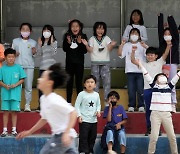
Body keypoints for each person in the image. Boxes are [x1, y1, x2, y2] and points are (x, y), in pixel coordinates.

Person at [16, 63, 78, 154]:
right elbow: (44, 119)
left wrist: (66, 133)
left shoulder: (54, 99)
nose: (38, 79)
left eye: (42, 77)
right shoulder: (44, 99)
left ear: (49, 83)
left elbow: (73, 112)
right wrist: (29, 132)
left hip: (62, 136)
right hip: (67, 138)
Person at [138, 61, 178, 154]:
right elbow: (146, 74)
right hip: (155, 114)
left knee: (172, 137)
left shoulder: (169, 86)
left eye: (163, 75)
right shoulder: (154, 86)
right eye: (160, 76)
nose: (162, 76)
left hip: (167, 114)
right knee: (153, 137)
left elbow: (177, 76)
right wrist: (140, 65)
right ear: (156, 80)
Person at [131, 42, 171, 135]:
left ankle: (158, 129)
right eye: (148, 55)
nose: (149, 56)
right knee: (149, 109)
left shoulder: (160, 62)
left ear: (156, 56)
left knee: (158, 110)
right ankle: (149, 128)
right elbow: (133, 60)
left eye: (151, 55)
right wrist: (133, 51)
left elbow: (165, 54)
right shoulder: (143, 64)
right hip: (147, 90)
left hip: (158, 90)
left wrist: (168, 46)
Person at [82, 22, 116, 106]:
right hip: (95, 63)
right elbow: (90, 50)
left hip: (105, 63)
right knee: (94, 83)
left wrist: (112, 45)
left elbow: (109, 49)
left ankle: (107, 103)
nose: (100, 30)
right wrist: (86, 45)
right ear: (95, 29)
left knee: (107, 83)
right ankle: (95, 102)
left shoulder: (107, 38)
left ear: (104, 30)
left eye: (102, 28)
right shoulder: (92, 39)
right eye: (98, 28)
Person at [118, 28, 146, 112]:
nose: (134, 35)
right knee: (131, 89)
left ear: (139, 36)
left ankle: (141, 105)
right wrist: (121, 45)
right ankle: (131, 105)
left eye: (136, 33)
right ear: (129, 35)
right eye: (132, 33)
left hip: (141, 71)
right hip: (130, 71)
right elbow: (120, 54)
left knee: (141, 89)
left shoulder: (142, 45)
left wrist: (145, 46)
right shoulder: (127, 45)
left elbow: (149, 54)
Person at [0, 48, 26, 137]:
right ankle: (5, 130)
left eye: (12, 57)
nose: (11, 58)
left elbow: (22, 79)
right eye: (9, 57)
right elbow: (0, 80)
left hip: (15, 94)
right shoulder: (2, 68)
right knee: (6, 111)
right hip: (5, 94)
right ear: (5, 58)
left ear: (15, 57)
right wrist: (4, 85)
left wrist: (15, 85)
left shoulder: (18, 68)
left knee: (14, 112)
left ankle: (14, 130)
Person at [12, 23, 37, 111]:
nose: (25, 31)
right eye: (23, 29)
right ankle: (16, 104)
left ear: (30, 31)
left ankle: (27, 105)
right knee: (17, 86)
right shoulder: (15, 41)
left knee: (28, 86)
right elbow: (11, 54)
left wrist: (34, 52)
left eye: (27, 30)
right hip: (17, 66)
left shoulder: (33, 42)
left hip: (29, 66)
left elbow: (35, 55)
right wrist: (14, 54)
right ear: (20, 30)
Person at [63, 19, 87, 104]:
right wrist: (69, 43)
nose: (75, 28)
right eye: (73, 26)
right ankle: (68, 102)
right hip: (69, 63)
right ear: (70, 27)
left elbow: (85, 51)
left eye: (77, 26)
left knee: (79, 83)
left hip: (79, 64)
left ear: (80, 27)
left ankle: (80, 103)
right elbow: (64, 49)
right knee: (69, 82)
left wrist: (80, 43)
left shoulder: (83, 36)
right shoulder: (67, 36)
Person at [158, 13, 179, 111]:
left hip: (173, 65)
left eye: (169, 34)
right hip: (163, 64)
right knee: (163, 83)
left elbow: (175, 30)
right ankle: (164, 103)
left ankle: (173, 104)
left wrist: (170, 18)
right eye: (165, 34)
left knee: (172, 83)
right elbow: (159, 31)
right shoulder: (162, 43)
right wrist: (160, 18)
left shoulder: (175, 42)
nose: (167, 36)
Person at [75, 75, 101, 154]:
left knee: (92, 137)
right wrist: (79, 116)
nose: (90, 84)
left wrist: (98, 111)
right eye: (88, 82)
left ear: (95, 84)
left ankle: (90, 151)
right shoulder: (81, 94)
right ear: (84, 84)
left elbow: (98, 105)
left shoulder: (96, 94)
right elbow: (76, 106)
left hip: (93, 120)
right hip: (84, 120)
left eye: (92, 82)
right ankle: (83, 151)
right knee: (83, 137)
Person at [36, 24, 57, 110]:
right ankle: (41, 105)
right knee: (41, 87)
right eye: (44, 30)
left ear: (51, 32)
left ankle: (49, 105)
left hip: (51, 68)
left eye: (48, 31)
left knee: (50, 87)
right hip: (42, 67)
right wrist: (39, 45)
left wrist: (52, 44)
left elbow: (54, 54)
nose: (46, 32)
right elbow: (38, 54)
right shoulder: (41, 41)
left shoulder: (54, 42)